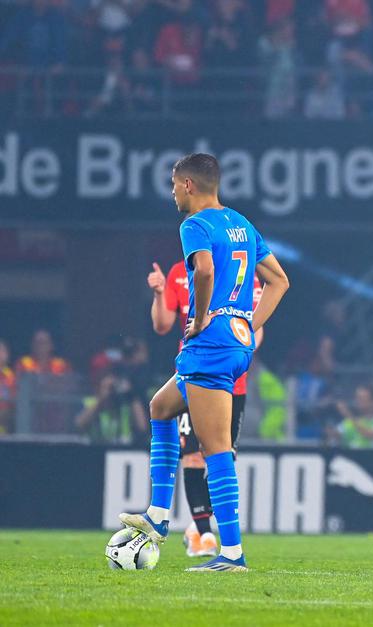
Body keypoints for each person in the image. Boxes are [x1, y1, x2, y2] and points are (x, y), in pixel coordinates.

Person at [119, 153, 289, 573]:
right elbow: (279, 280)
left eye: (175, 184)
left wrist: (198, 319)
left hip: (209, 346)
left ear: (189, 185)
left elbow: (206, 270)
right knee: (160, 407)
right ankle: (158, 514)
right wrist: (247, 321)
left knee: (214, 452)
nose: (173, 192)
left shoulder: (194, 225)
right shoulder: (241, 224)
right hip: (233, 345)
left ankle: (231, 552)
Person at [147, 255, 263, 558]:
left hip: (230, 381)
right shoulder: (178, 273)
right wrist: (160, 293)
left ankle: (210, 537)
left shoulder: (240, 275)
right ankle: (205, 534)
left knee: (219, 455)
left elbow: (254, 331)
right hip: (192, 373)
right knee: (193, 456)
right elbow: (162, 325)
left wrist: (248, 329)